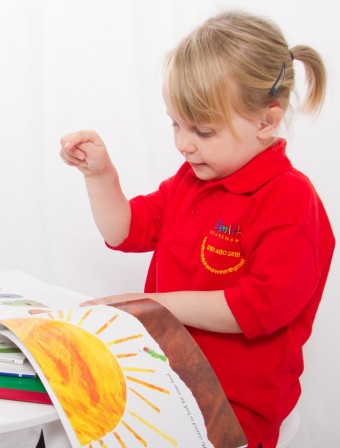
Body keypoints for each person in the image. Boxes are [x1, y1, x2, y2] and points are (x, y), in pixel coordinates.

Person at [59, 10, 335, 448]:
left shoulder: (291, 202)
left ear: (266, 122)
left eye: (203, 130)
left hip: (232, 410)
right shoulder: (192, 180)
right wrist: (100, 175)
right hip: (164, 383)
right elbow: (123, 231)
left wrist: (152, 303)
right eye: (176, 124)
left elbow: (258, 308)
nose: (183, 143)